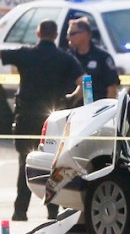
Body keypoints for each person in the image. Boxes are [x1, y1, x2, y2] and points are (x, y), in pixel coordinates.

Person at [0, 19, 84, 221]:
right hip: (52, 119)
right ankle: (53, 211)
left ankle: (20, 211)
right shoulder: (65, 58)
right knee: (52, 163)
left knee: (25, 162)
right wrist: (70, 100)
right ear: (55, 35)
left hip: (26, 118)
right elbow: (83, 83)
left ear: (38, 33)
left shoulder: (25, 54)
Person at [67, 17, 120, 103]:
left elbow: (112, 88)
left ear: (85, 34)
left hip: (98, 108)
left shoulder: (103, 57)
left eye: (71, 34)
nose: (68, 37)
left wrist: (108, 108)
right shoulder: (69, 57)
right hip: (75, 109)